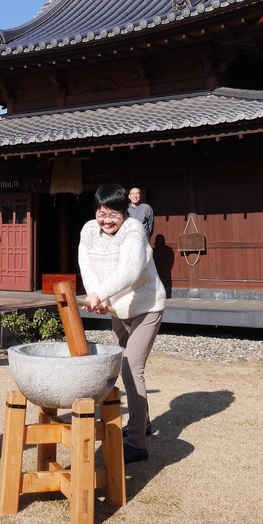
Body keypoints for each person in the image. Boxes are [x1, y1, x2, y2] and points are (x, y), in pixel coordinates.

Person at [79, 183, 165, 463]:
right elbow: (87, 267)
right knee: (118, 365)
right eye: (102, 213)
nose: (107, 221)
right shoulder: (89, 230)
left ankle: (137, 443)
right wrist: (99, 297)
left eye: (113, 214)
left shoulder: (133, 230)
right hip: (118, 309)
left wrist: (100, 295)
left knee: (131, 368)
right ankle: (144, 422)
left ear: (125, 212)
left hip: (146, 306)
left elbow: (129, 271)